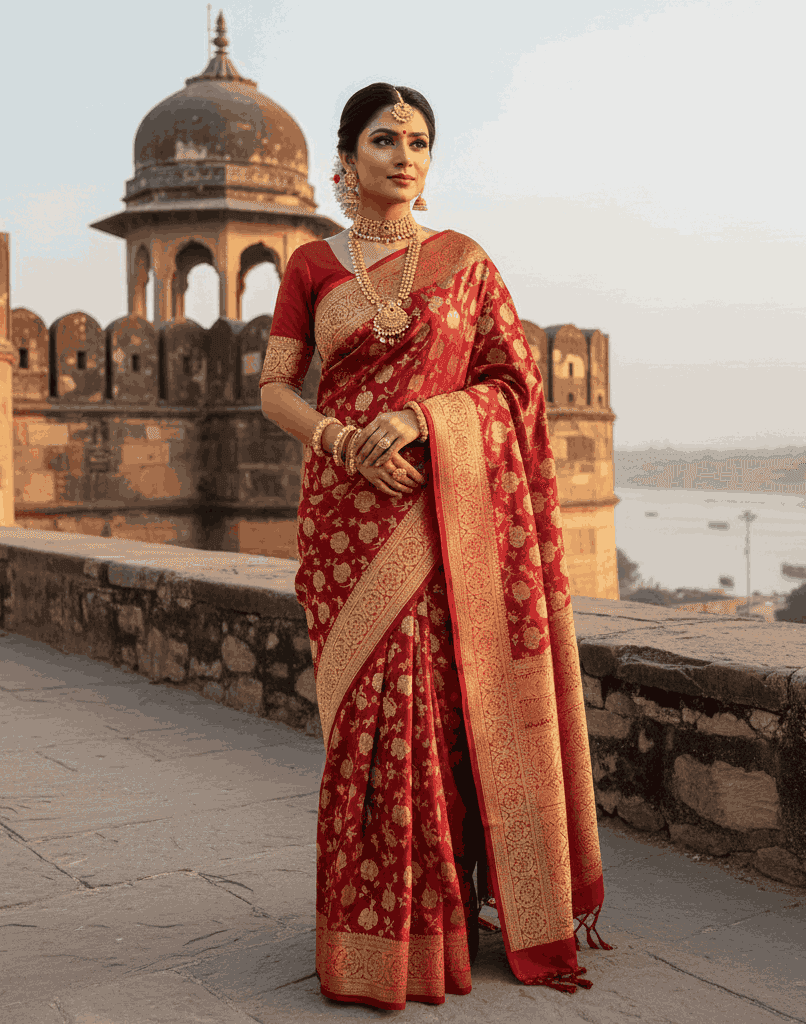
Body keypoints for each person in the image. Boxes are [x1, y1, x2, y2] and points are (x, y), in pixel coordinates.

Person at [259, 81, 610, 1012]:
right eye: (384, 139)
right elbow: (276, 391)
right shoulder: (310, 266)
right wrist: (342, 441)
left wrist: (421, 418)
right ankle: (371, 942)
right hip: (345, 518)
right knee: (368, 732)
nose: (404, 155)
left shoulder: (465, 263)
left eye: (418, 140)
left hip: (437, 506)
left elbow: (511, 388)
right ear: (347, 157)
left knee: (440, 717)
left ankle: (446, 924)